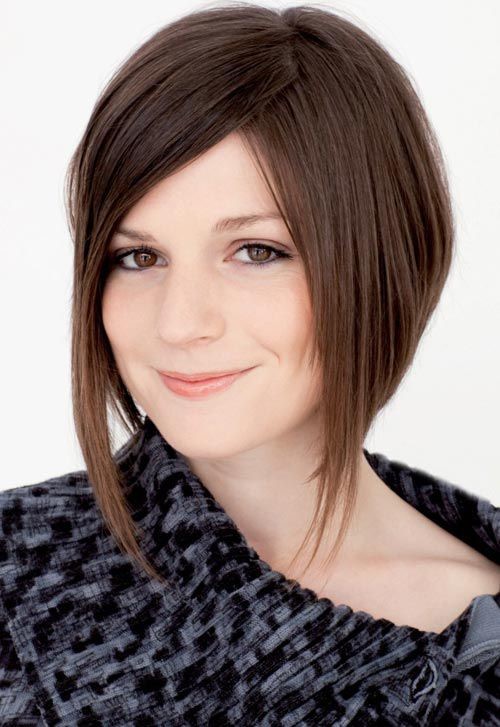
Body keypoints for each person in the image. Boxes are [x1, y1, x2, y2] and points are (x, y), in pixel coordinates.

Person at [1, 3, 498, 724]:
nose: (180, 323)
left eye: (256, 251)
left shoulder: (478, 637)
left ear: (385, 263)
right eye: (138, 257)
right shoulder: (18, 574)